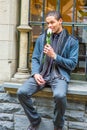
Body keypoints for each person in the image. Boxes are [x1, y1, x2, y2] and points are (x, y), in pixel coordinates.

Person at [17, 11, 79, 130]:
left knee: (60, 95)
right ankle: (35, 120)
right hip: (42, 74)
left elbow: (72, 64)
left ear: (60, 21)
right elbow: (35, 58)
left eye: (52, 22)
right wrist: (35, 73)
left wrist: (54, 56)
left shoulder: (72, 41)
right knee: (22, 92)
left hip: (59, 75)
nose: (49, 26)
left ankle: (58, 125)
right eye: (47, 23)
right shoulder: (42, 38)